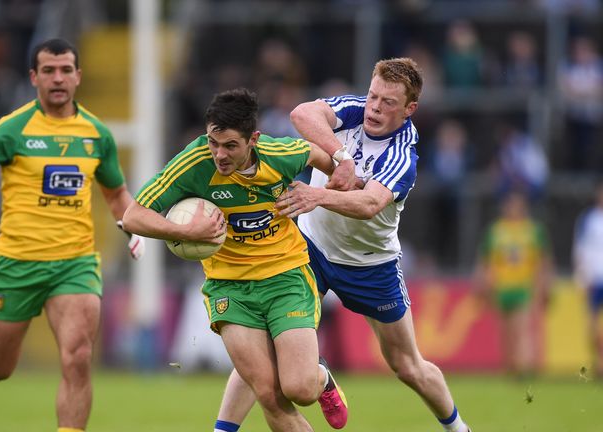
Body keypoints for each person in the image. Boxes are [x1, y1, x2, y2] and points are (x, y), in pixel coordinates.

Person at [215, 58, 472, 432]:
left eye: (388, 103)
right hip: (310, 248)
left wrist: (317, 197)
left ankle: (457, 427)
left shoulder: (403, 155)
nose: (375, 108)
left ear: (409, 109)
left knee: (406, 365)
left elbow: (369, 205)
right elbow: (302, 113)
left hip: (370, 265)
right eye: (373, 96)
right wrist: (342, 157)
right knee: (264, 344)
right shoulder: (354, 111)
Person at [0, 38, 145, 432]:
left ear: (78, 76)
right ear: (34, 77)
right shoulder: (11, 129)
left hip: (75, 263)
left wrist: (133, 225)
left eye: (66, 70)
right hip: (17, 262)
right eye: (50, 71)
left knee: (77, 356)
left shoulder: (97, 135)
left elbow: (115, 193)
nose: (58, 78)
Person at [121, 88, 349, 432]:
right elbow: (133, 216)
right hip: (230, 288)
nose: (219, 154)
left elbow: (320, 156)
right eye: (213, 142)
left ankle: (321, 377)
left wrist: (324, 189)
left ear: (253, 139)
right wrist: (184, 231)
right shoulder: (193, 164)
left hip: (286, 276)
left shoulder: (280, 154)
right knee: (268, 394)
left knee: (299, 388)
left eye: (230, 146)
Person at [474, 191, 553, 378]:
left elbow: (543, 260)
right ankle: (510, 368)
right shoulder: (496, 230)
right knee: (506, 332)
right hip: (502, 287)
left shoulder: (533, 230)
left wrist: (544, 283)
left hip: (523, 286)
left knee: (521, 329)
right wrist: (481, 282)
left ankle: (524, 368)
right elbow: (485, 260)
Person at [574, 182, 603, 379]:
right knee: (592, 324)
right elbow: (580, 249)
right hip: (595, 278)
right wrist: (581, 275)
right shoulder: (588, 219)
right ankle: (598, 363)